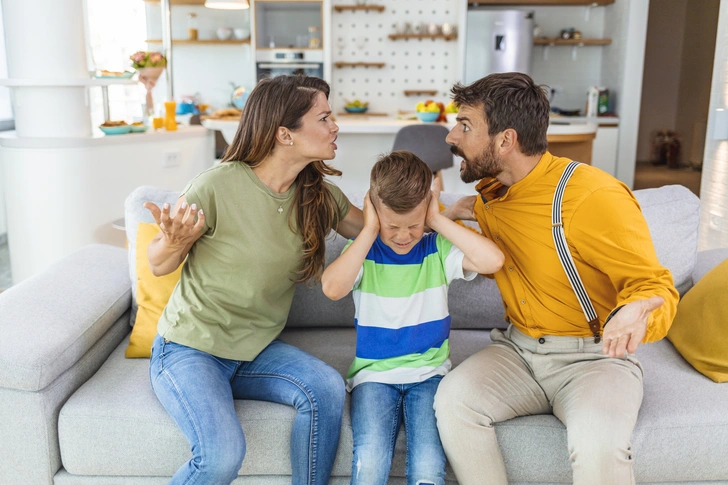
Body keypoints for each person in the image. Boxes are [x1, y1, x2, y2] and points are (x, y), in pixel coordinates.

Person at [433, 72, 679, 485]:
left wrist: (637, 311)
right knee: (454, 402)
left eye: (466, 126)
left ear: (505, 141)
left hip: (593, 360)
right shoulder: (492, 193)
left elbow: (656, 289)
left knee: (599, 441)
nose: (451, 137)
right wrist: (455, 211)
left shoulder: (592, 196)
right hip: (518, 351)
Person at [142, 75, 364, 485]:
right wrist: (173, 242)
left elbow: (377, 230)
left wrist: (441, 214)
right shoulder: (216, 185)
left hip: (255, 350)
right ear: (285, 134)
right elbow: (158, 263)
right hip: (190, 349)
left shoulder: (318, 196)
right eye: (324, 118)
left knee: (327, 388)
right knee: (221, 456)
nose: (335, 127)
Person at [321, 151, 505, 485]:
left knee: (428, 466)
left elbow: (492, 261)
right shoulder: (365, 250)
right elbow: (332, 289)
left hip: (430, 375)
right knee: (371, 461)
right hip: (374, 377)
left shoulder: (436, 249)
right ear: (376, 213)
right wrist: (370, 230)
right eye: (393, 226)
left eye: (414, 225)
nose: (404, 236)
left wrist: (436, 221)